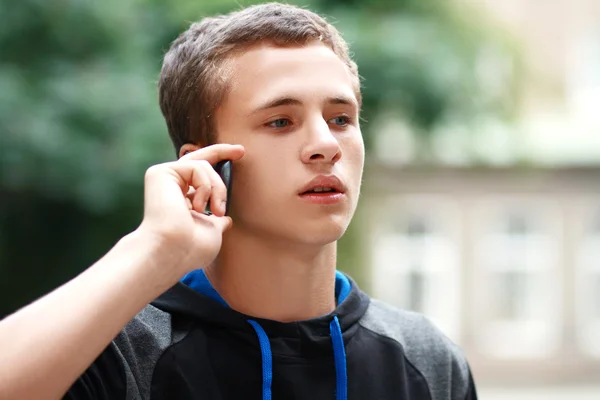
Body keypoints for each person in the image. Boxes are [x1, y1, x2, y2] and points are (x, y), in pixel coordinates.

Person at [0, 3, 478, 400]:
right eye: (280, 121)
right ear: (206, 163)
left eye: (340, 118)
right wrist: (153, 249)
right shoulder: (118, 353)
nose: (325, 145)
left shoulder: (427, 361)